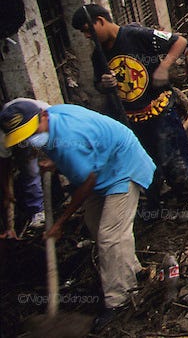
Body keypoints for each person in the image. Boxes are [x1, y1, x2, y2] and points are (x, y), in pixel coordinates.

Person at [2, 98, 155, 331]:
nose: (31, 139)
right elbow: (86, 148)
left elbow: (86, 184)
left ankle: (119, 300)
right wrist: (54, 163)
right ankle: (133, 271)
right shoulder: (54, 120)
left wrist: (60, 222)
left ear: (43, 116)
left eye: (32, 131)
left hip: (122, 168)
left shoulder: (67, 138)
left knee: (110, 235)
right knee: (95, 224)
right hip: (102, 167)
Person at [70, 5, 188, 208]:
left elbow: (179, 41)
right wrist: (105, 84)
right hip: (130, 119)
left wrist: (164, 67)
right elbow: (98, 84)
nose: (86, 36)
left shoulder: (136, 35)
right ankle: (157, 201)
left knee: (174, 157)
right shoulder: (98, 55)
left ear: (100, 21)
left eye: (87, 30)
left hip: (159, 110)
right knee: (146, 162)